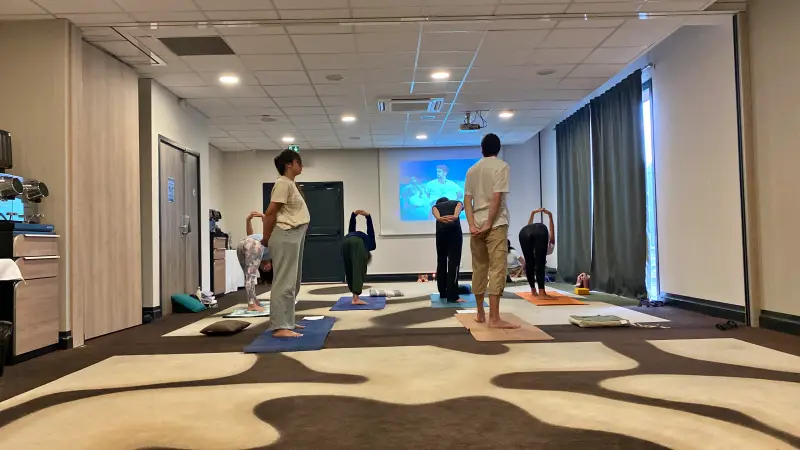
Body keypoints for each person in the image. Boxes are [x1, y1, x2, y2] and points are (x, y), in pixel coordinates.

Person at [464, 133, 518, 329]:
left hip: (476, 223)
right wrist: (488, 223)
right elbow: (496, 197)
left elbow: (467, 201)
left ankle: (480, 314)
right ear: (498, 149)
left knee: (479, 267)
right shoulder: (502, 166)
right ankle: (494, 318)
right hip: (495, 224)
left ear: (482, 149)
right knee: (497, 268)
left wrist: (472, 224)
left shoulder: (472, 170)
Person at [261, 149, 310, 338]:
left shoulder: (290, 184)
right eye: (299, 162)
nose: (302, 166)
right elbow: (270, 213)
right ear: (289, 164)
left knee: (293, 282)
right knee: (284, 282)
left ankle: (288, 321)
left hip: (295, 235)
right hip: (286, 235)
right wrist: (266, 238)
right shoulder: (282, 183)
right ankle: (280, 326)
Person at [235, 211, 274, 312]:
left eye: (264, 269)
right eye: (267, 268)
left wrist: (248, 220)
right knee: (250, 276)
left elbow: (249, 236)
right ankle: (251, 304)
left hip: (242, 243)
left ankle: (253, 300)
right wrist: (264, 219)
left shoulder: (264, 253)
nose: (266, 268)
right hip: (250, 243)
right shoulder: (273, 251)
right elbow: (270, 231)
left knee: (247, 275)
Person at [432, 197, 465, 303]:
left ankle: (443, 292)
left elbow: (434, 209)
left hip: (441, 233)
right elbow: (460, 205)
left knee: (441, 261)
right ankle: (453, 296)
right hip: (453, 232)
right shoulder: (454, 202)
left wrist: (439, 218)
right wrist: (455, 216)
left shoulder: (437, 207)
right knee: (454, 263)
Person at [518, 208, 556, 298]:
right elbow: (552, 232)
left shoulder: (540, 249)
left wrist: (533, 214)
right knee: (540, 264)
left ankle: (533, 291)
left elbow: (528, 229)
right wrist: (550, 217)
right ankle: (542, 293)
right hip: (540, 229)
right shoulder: (549, 250)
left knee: (529, 263)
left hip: (524, 232)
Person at [342, 209, 376, 305]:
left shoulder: (357, 237)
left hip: (345, 241)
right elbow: (371, 231)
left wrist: (353, 216)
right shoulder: (371, 245)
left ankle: (354, 295)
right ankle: (356, 298)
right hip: (355, 242)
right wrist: (368, 217)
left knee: (349, 269)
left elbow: (351, 229)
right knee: (358, 269)